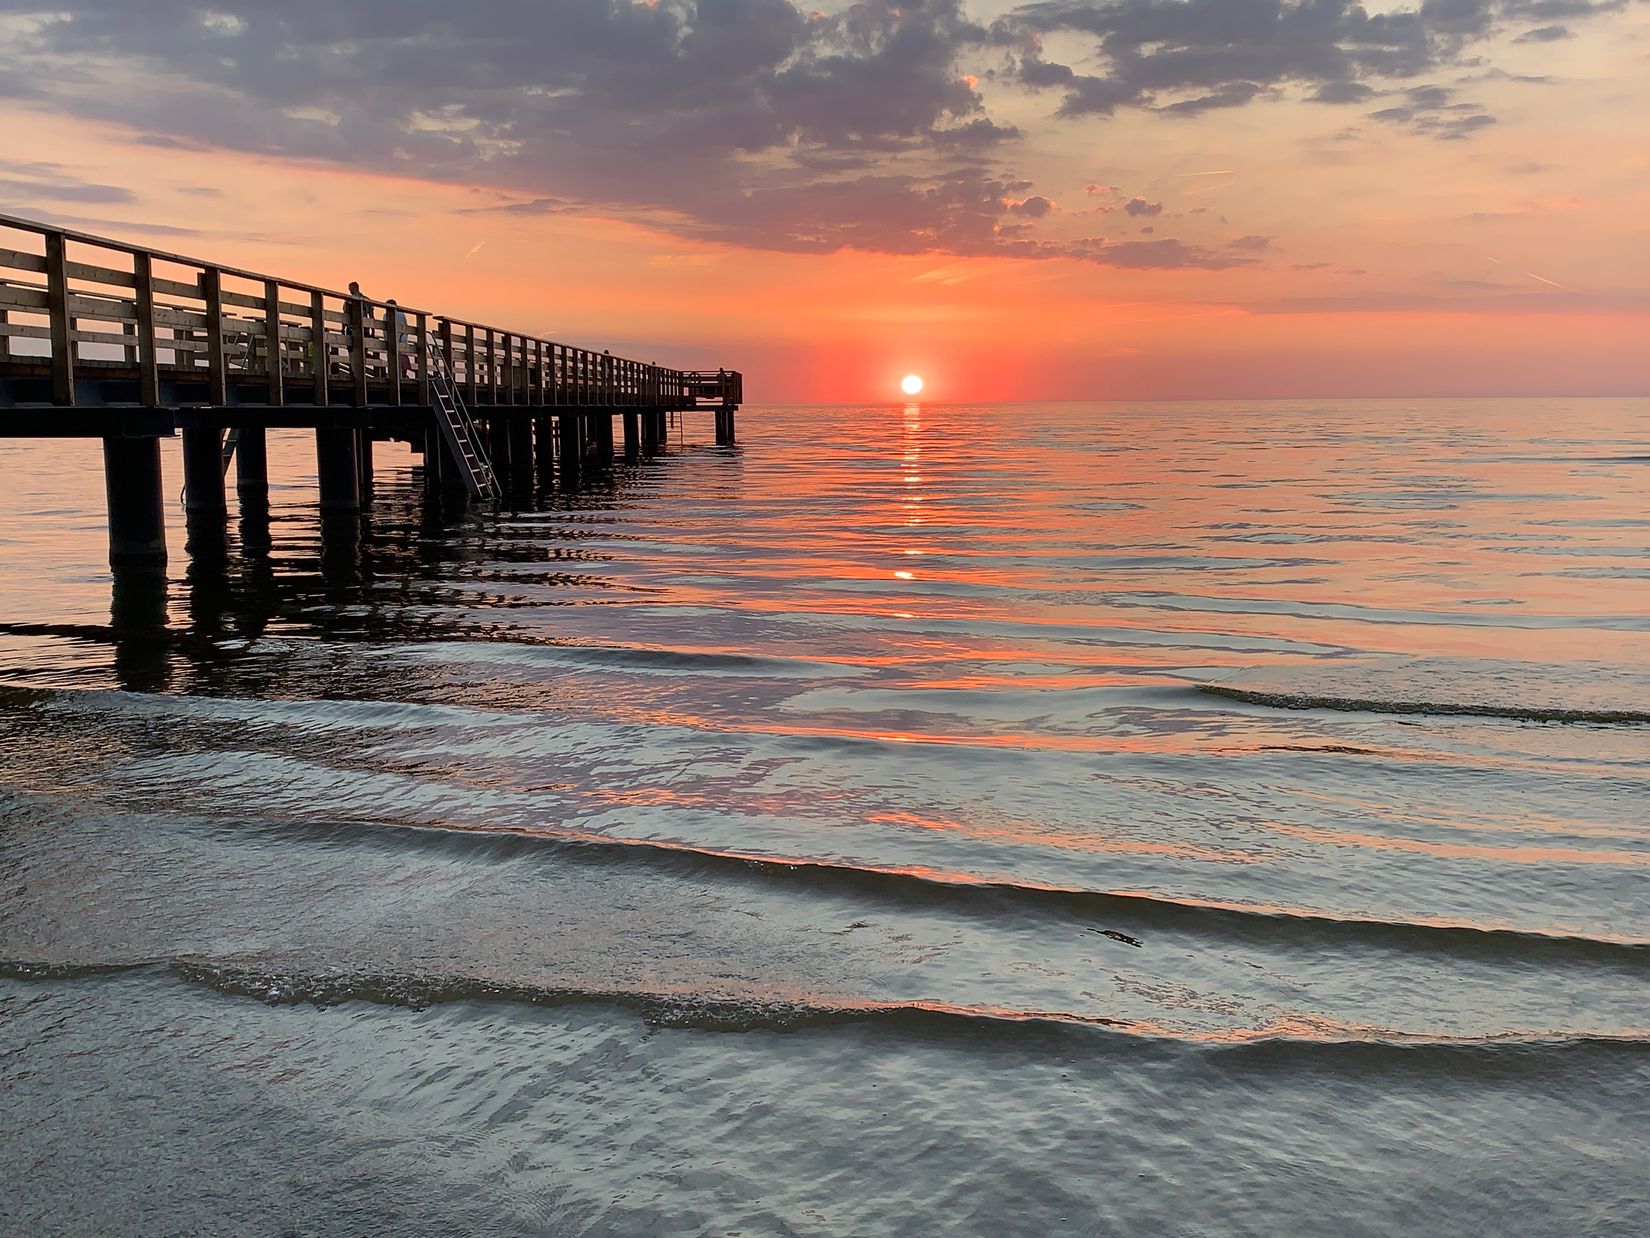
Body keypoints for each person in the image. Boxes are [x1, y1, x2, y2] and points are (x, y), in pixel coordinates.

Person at [386, 298, 413, 378]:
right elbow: (406, 326)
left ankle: (394, 375)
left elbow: (385, 330)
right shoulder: (402, 314)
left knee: (393, 358)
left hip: (392, 339)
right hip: (402, 338)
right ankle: (403, 374)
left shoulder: (386, 315)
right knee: (403, 357)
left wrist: (386, 340)